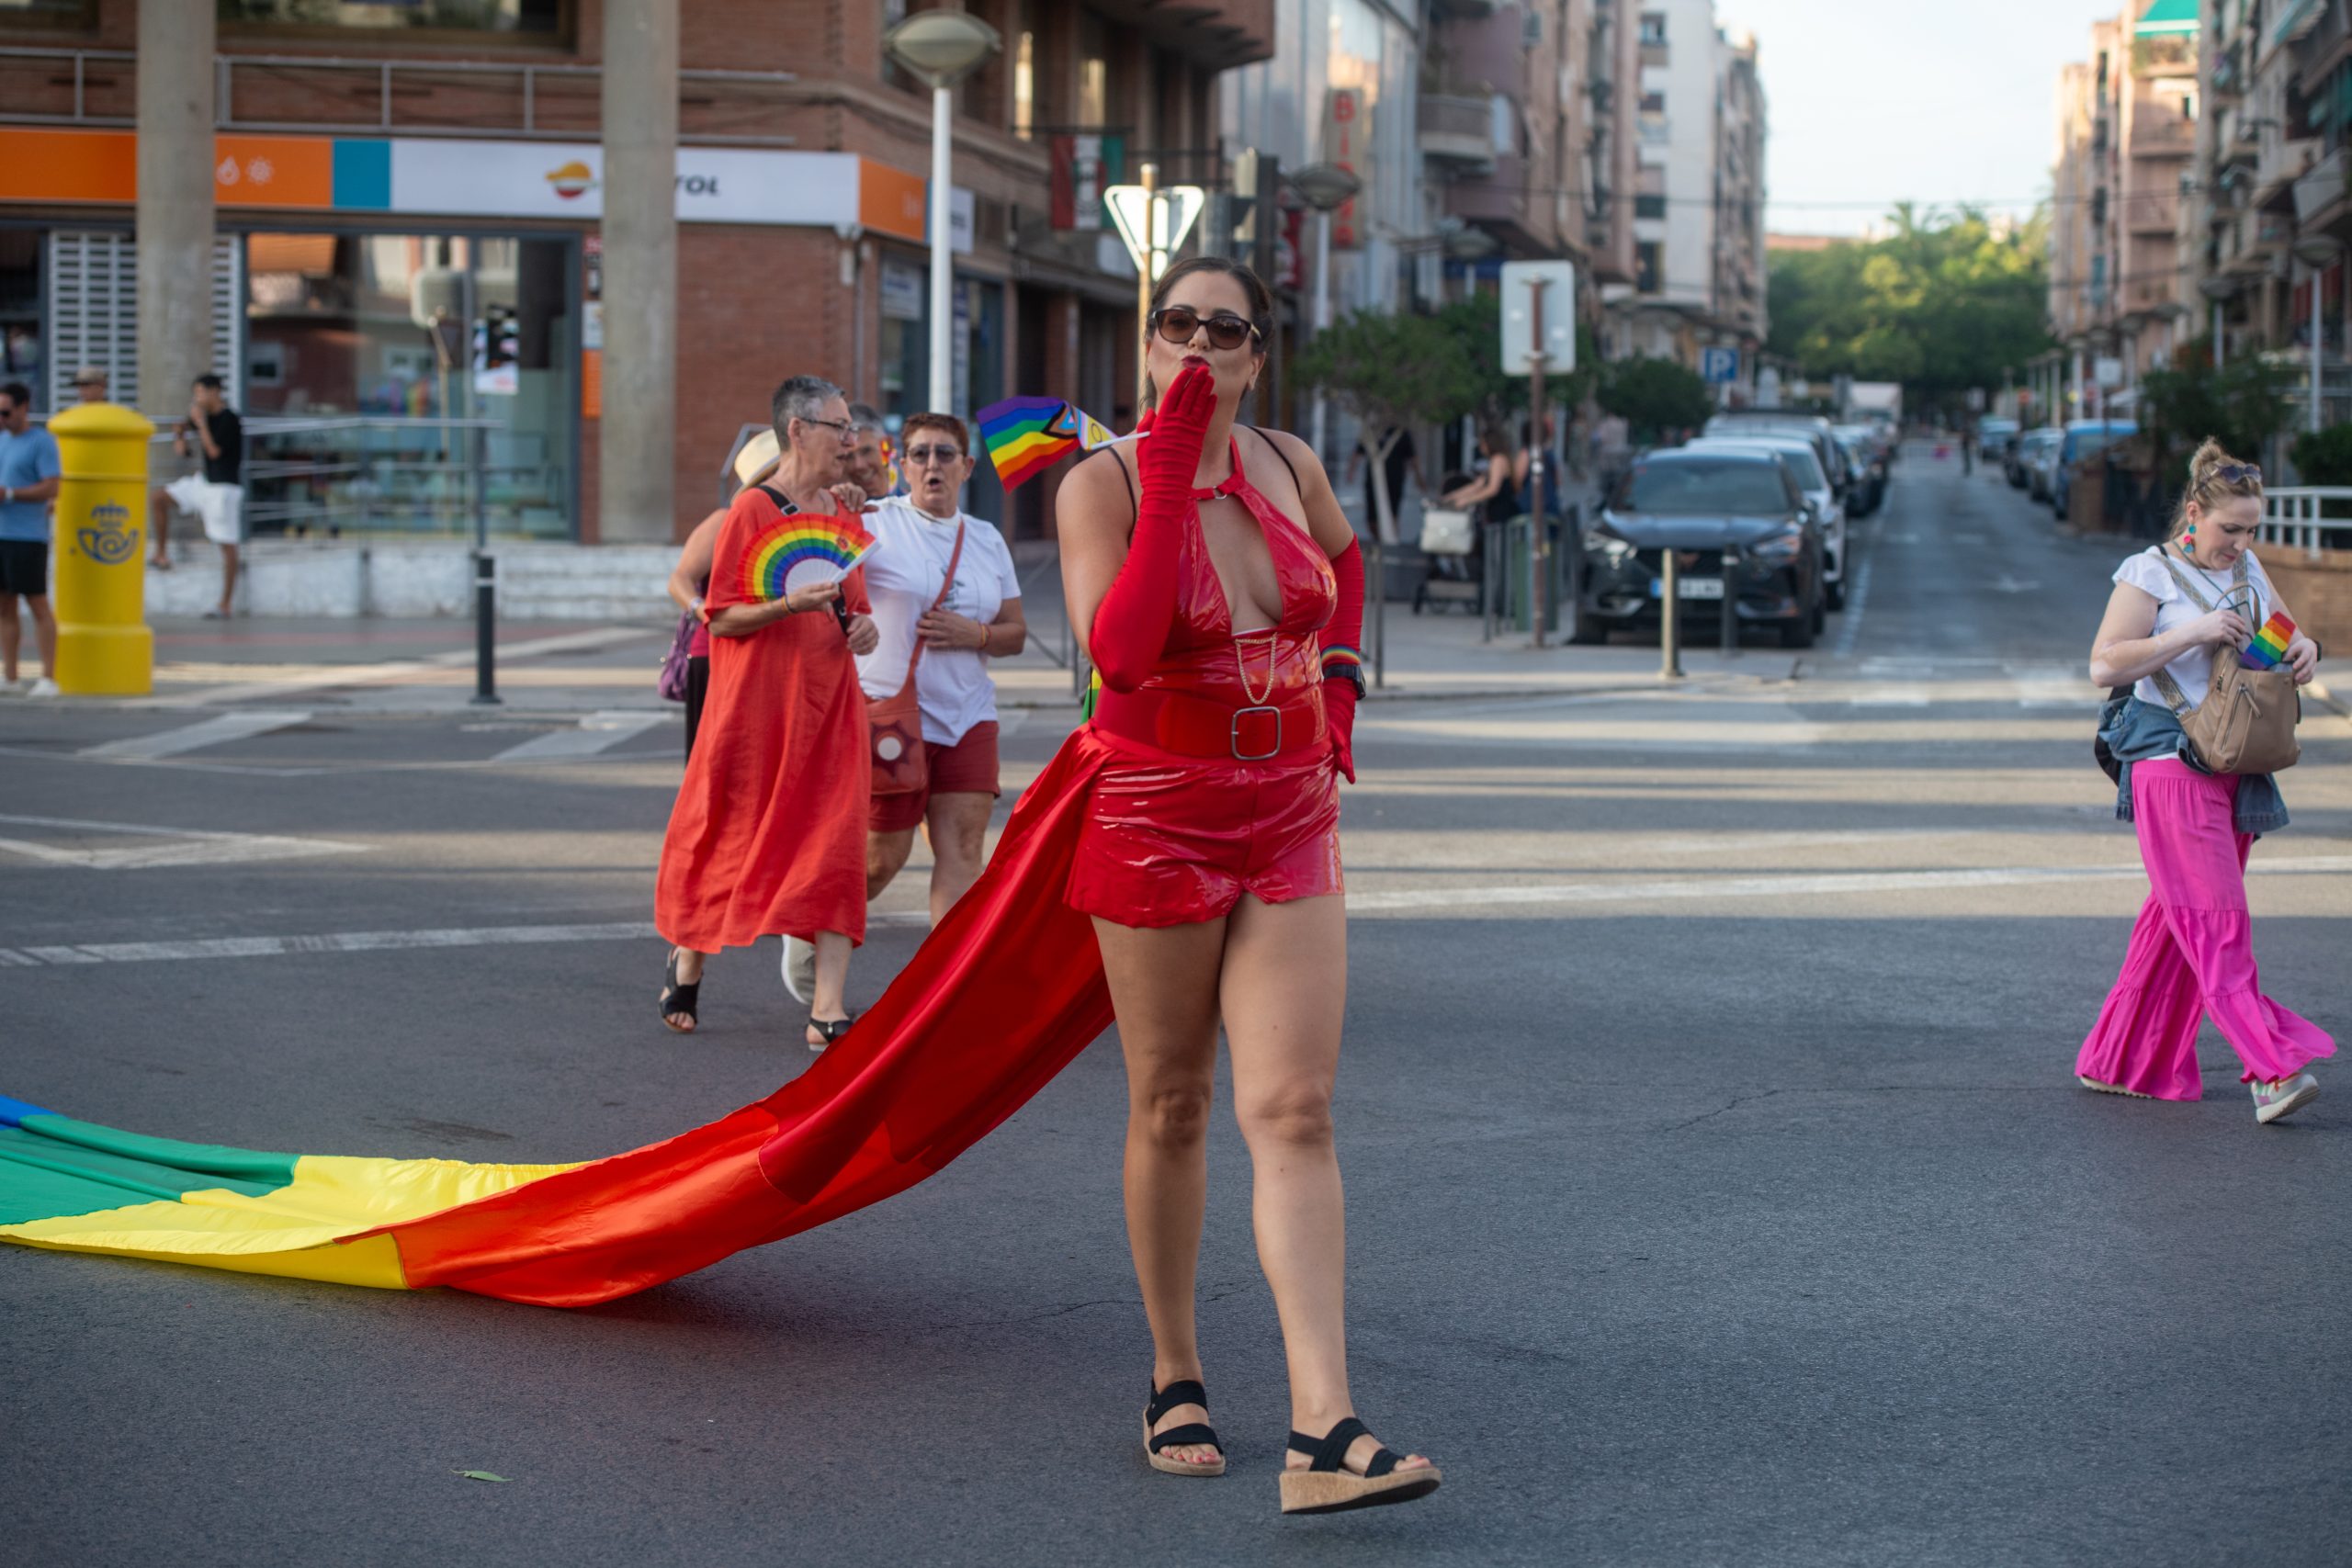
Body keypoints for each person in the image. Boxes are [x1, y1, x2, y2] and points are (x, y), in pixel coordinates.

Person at [1051, 254, 1439, 1513]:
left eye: (1227, 329)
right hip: (1158, 811)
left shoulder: (1288, 460)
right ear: (1146, 346)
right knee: (1173, 1100)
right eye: (1178, 324)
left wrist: (1341, 686)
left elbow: (1346, 565)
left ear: (1256, 357)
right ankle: (1175, 1368)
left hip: (1291, 808)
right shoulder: (1101, 484)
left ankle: (1324, 1422)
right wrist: (1167, 474)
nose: (1200, 345)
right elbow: (1120, 654)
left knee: (1297, 1108)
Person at [2079, 439, 2333, 1122]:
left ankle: (2120, 1059)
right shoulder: (2150, 572)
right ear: (2193, 513)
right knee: (2218, 922)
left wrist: (2303, 649)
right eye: (2230, 529)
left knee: (2177, 923)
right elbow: (2104, 665)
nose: (2241, 543)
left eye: (2252, 530)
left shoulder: (2247, 567)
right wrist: (2191, 634)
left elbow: (2282, 634)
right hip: (2168, 762)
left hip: (2236, 766)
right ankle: (2272, 1071)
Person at [655, 377, 880, 1051]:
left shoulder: (845, 512)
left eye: (852, 428)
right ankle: (688, 957)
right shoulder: (750, 510)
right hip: (755, 710)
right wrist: (787, 605)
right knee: (726, 836)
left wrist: (863, 629)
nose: (852, 441)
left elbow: (857, 608)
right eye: (840, 427)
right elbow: (721, 618)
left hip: (830, 705)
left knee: (836, 844)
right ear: (798, 430)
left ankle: (827, 1005)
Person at [856, 412, 1027, 926]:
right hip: (893, 715)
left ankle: (946, 974)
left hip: (968, 717)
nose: (933, 464)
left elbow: (1015, 632)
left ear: (966, 466)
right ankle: (809, 934)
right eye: (921, 454)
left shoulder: (987, 538)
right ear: (902, 465)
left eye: (945, 454)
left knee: (965, 851)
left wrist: (976, 635)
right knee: (881, 860)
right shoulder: (872, 522)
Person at [150, 374, 243, 606]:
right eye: (195, 393)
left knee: (227, 543)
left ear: (215, 391)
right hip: (204, 482)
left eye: (201, 392)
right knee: (159, 498)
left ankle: (225, 603)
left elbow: (214, 452)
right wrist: (180, 435)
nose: (197, 398)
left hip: (224, 488)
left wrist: (201, 424)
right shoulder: (204, 417)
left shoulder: (229, 419)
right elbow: (182, 447)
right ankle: (161, 554)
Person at [0, 381, 62, 698]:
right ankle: (10, 676)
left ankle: (48, 677)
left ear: (23, 408)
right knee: (4, 606)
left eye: (5, 412)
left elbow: (52, 487)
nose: (1, 418)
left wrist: (10, 494)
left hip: (27, 536)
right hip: (2, 533)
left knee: (37, 603)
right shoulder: (2, 441)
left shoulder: (41, 442)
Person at [1341, 423, 1421, 537]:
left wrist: (1419, 478)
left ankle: (1391, 541)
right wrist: (1351, 472)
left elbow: (1413, 457)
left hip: (1395, 480)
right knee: (1371, 521)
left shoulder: (1402, 432)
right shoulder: (1372, 430)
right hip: (1373, 481)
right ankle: (1381, 539)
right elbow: (1357, 452)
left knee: (1393, 515)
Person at [1441, 425, 1520, 523]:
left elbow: (1492, 489)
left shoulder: (1498, 460)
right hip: (1496, 512)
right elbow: (1477, 485)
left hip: (1502, 513)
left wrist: (1466, 500)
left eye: (1482, 444)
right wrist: (1452, 496)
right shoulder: (1495, 460)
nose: (1480, 447)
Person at [846, 402, 894, 501]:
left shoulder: (915, 504)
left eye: (866, 451)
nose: (859, 465)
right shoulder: (832, 507)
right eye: (849, 457)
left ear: (887, 447)